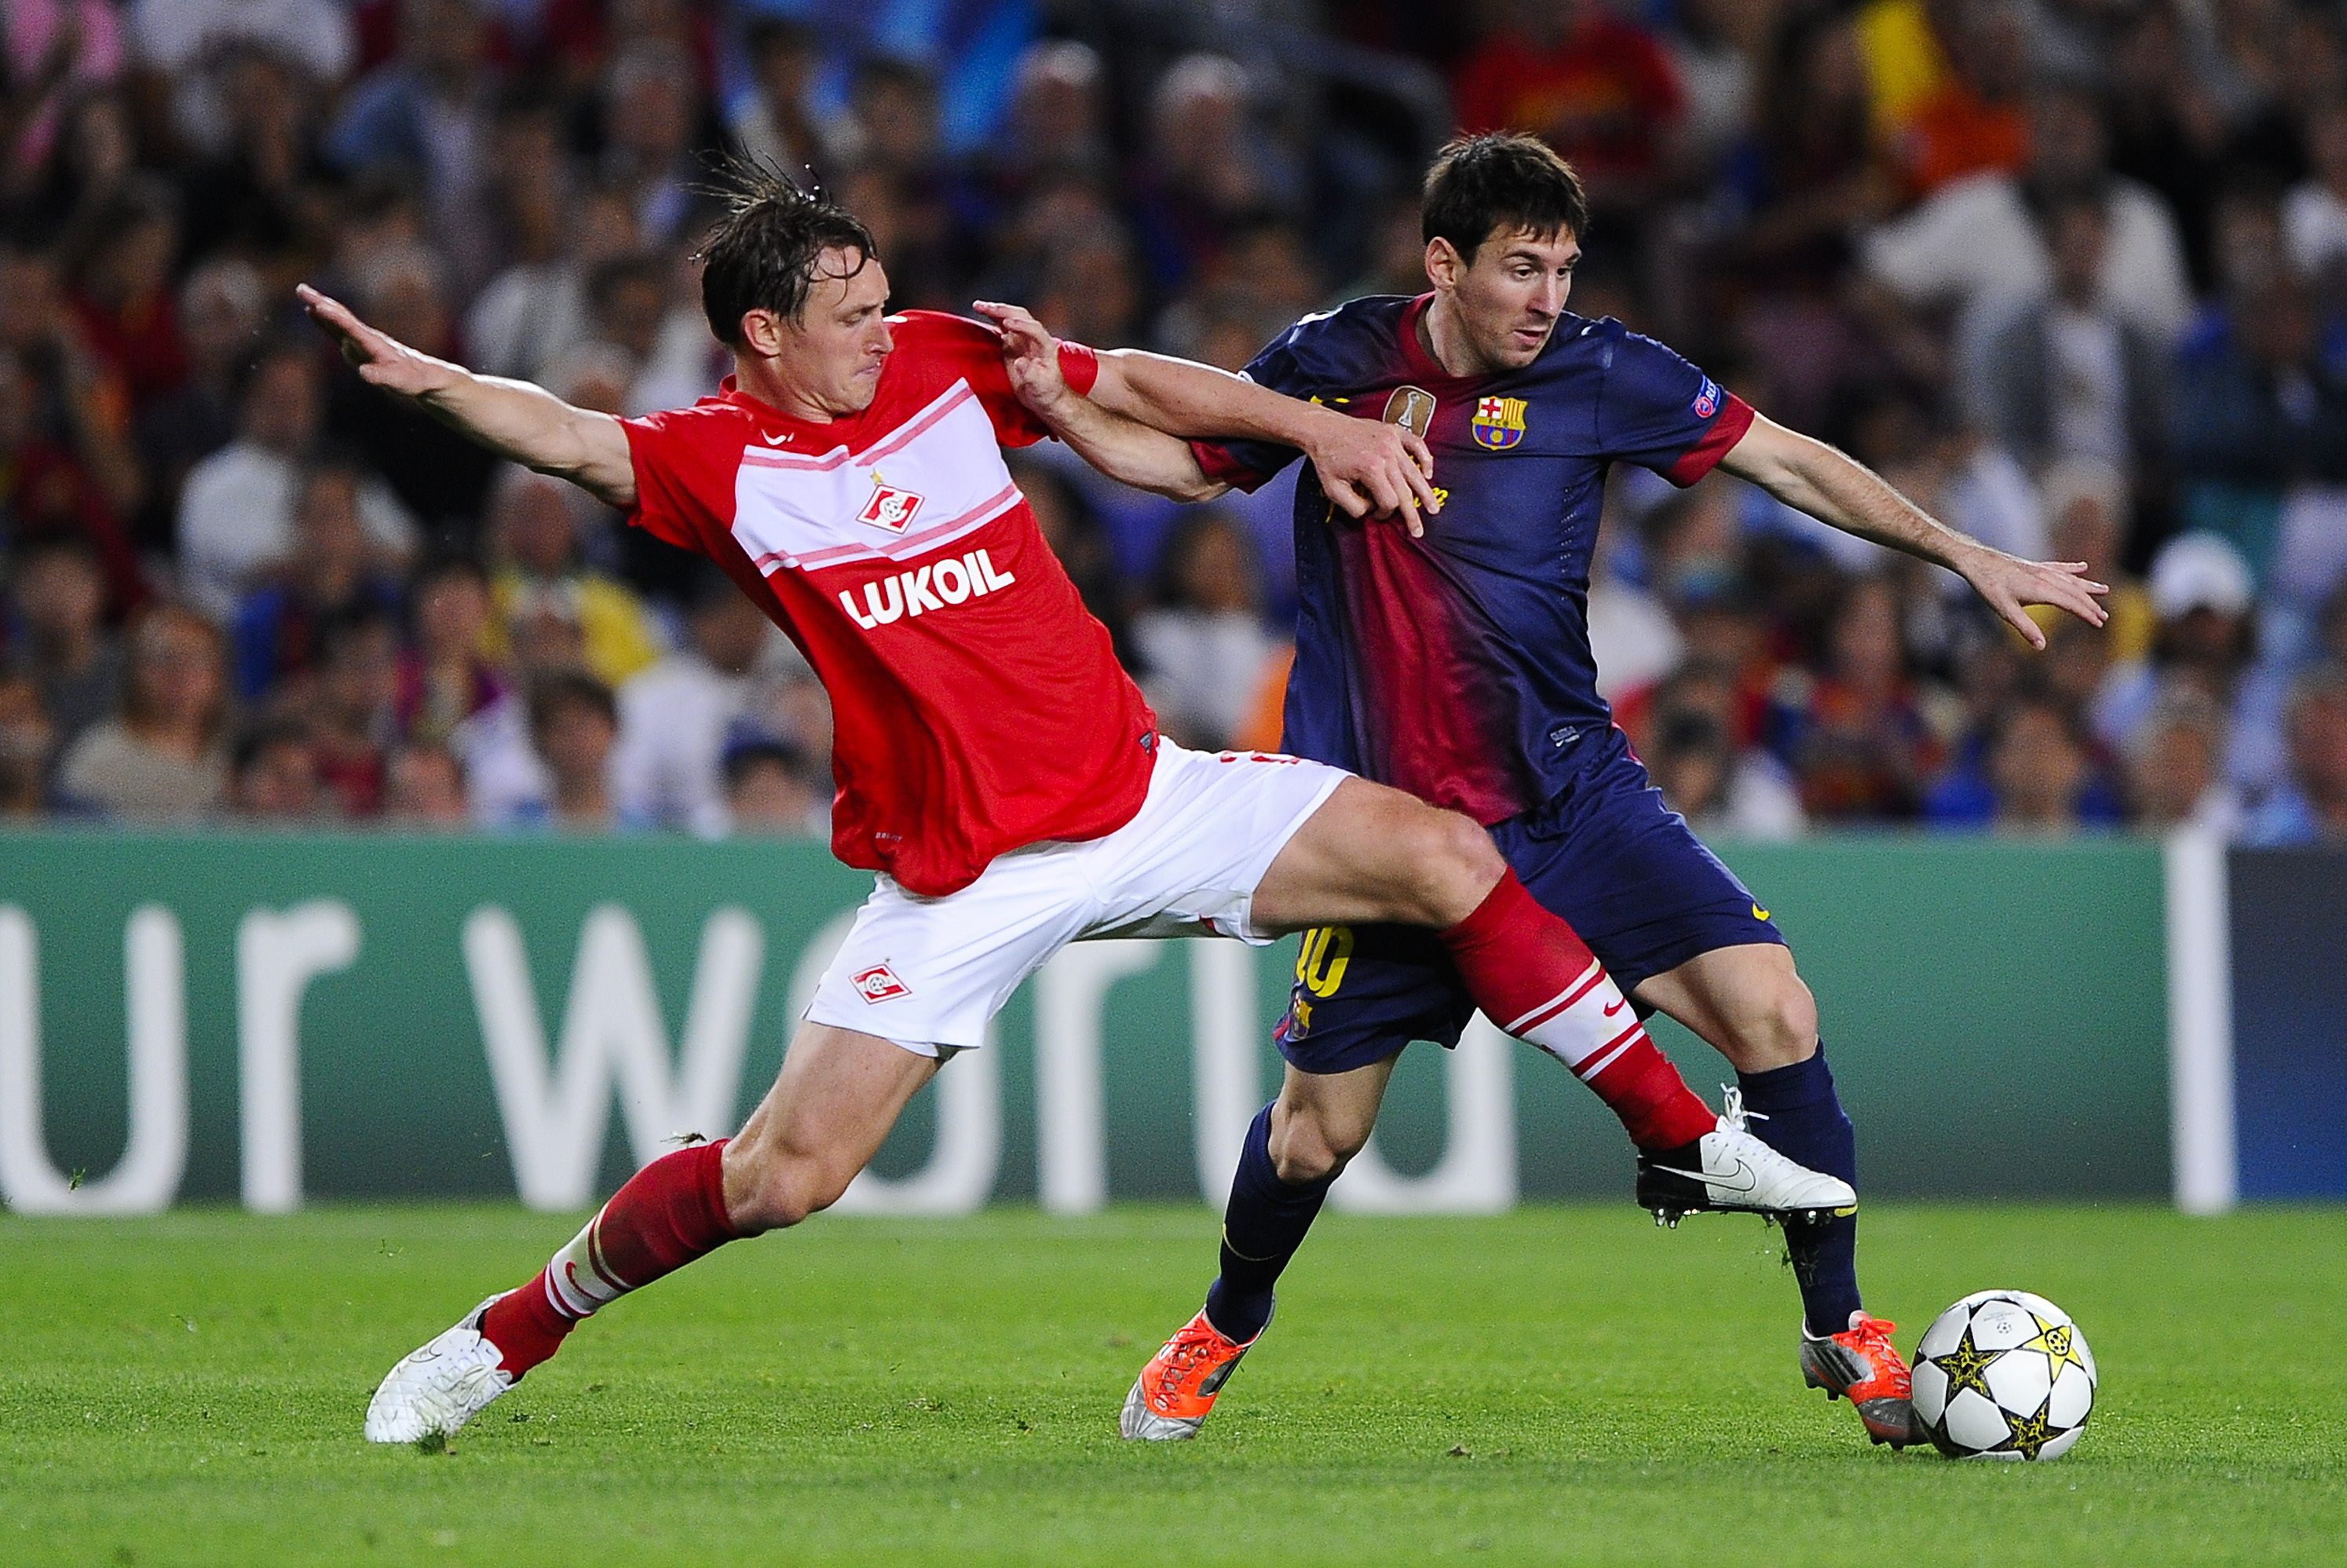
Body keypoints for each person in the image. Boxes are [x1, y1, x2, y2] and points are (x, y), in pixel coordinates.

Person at [305, 167, 1852, 1444]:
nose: (879, 329)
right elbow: (569, 438)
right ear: (761, 334)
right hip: (965, 875)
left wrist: (1312, 427)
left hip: (1147, 794)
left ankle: (1676, 1142)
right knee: (786, 1177)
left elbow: (1136, 386)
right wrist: (436, 385)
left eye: (879, 298)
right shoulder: (715, 464)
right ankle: (501, 1339)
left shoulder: (935, 360)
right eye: (846, 317)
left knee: (1447, 855)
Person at [1001, 133, 2109, 1449]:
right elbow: (1187, 460)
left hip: (1572, 796)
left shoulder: (1605, 371)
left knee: (1773, 1005)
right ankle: (1223, 1323)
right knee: (1315, 1137)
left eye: (1564, 269)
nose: (1547, 298)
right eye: (1520, 268)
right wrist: (1065, 412)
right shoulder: (1339, 358)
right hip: (1387, 830)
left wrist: (1960, 551)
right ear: (1442, 262)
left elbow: (1788, 461)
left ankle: (1841, 1323)